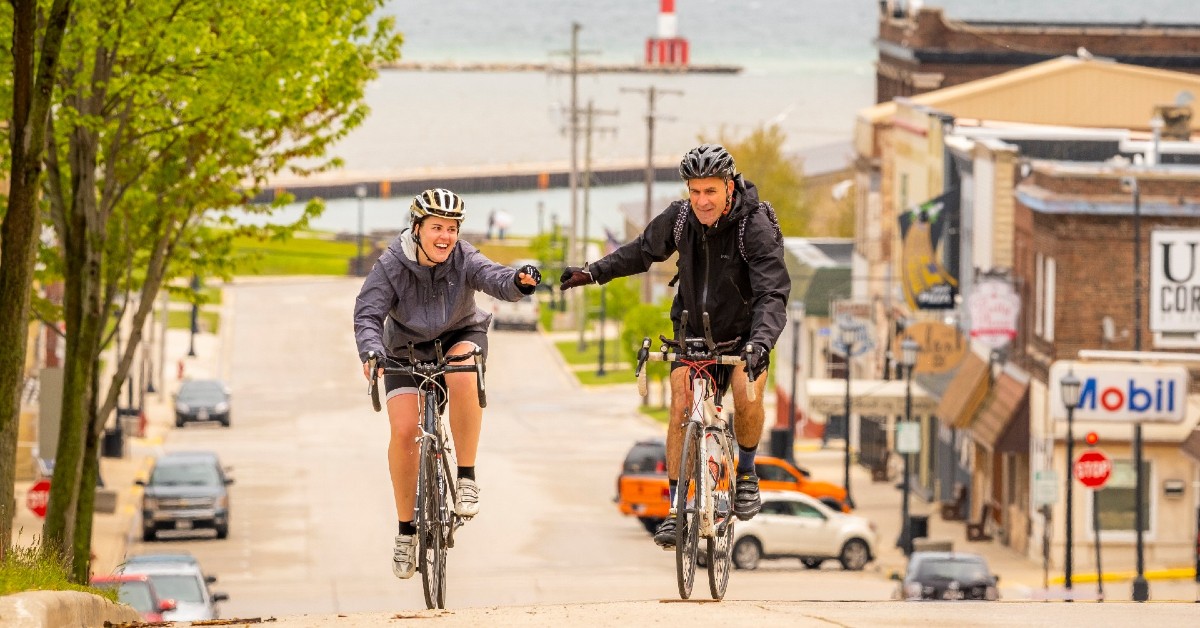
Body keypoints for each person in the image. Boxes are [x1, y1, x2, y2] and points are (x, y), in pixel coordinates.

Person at [559, 144, 790, 548]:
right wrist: (592, 273)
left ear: (729, 187)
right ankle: (676, 508)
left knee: (746, 393)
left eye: (711, 191)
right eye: (695, 191)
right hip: (693, 333)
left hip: (745, 336)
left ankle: (748, 473)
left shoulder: (754, 224)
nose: (702, 201)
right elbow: (641, 252)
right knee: (681, 402)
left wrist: (761, 343)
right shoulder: (680, 218)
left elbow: (772, 293)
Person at [354, 188, 541, 579]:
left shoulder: (463, 257)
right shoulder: (391, 264)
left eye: (452, 228)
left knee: (463, 368)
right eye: (437, 227)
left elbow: (495, 278)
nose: (445, 237)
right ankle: (406, 532)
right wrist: (371, 352)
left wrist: (520, 281)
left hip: (459, 336)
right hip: (403, 351)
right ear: (417, 228)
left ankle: (467, 477)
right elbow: (368, 315)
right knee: (404, 431)